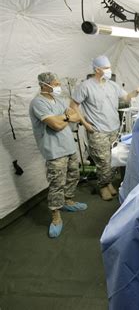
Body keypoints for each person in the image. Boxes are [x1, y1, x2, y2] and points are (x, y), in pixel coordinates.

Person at [71, 55, 139, 201]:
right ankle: (103, 186)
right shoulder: (85, 86)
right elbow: (73, 106)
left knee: (113, 159)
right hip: (98, 130)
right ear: (97, 69)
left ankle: (108, 182)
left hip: (114, 129)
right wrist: (85, 123)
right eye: (106, 68)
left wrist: (136, 91)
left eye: (109, 67)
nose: (109, 70)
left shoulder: (112, 85)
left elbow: (126, 98)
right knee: (103, 161)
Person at [29, 72, 88, 238]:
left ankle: (67, 200)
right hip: (54, 151)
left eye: (57, 83)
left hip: (69, 147)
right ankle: (55, 216)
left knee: (73, 175)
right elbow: (55, 125)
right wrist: (66, 118)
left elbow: (76, 116)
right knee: (57, 183)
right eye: (54, 84)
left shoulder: (59, 100)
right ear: (44, 85)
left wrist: (65, 117)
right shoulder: (38, 103)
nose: (58, 87)